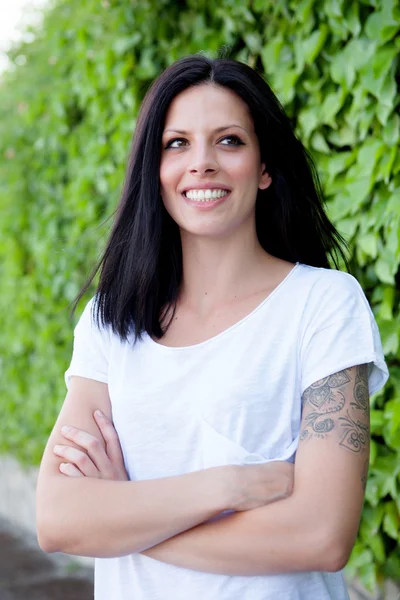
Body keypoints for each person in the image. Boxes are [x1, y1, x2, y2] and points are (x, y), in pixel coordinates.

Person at [36, 55, 389, 600]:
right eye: (176, 144)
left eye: (229, 141)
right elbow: (58, 517)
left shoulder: (323, 305)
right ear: (153, 171)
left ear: (265, 166)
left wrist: (124, 520)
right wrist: (226, 486)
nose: (201, 163)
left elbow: (320, 535)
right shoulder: (109, 322)